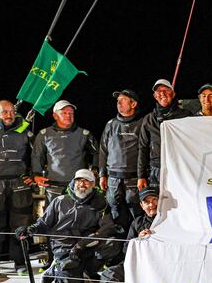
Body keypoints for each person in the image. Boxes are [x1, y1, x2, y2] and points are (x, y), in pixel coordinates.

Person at [15, 169, 121, 283]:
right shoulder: (60, 201)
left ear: (93, 184)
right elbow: (43, 224)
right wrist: (29, 230)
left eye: (87, 181)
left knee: (112, 244)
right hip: (64, 247)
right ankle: (56, 268)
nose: (82, 184)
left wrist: (82, 244)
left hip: (86, 244)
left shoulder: (100, 204)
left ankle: (87, 270)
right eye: (79, 180)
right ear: (74, 182)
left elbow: (107, 228)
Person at [74, 186, 158, 283]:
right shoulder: (137, 222)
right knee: (110, 273)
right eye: (146, 202)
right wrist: (138, 240)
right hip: (140, 266)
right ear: (141, 205)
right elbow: (127, 250)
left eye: (154, 200)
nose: (151, 204)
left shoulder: (171, 221)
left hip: (162, 269)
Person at [0, 100, 34, 277]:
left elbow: (37, 154)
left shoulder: (25, 130)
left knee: (21, 225)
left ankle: (20, 262)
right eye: (4, 112)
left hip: (19, 183)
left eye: (11, 112)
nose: (9, 115)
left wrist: (33, 174)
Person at [32, 100, 99, 203]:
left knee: (78, 215)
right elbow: (37, 156)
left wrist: (95, 169)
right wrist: (36, 175)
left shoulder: (84, 134)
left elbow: (97, 153)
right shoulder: (44, 134)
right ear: (55, 115)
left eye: (71, 113)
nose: (68, 115)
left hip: (79, 185)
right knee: (54, 216)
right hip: (53, 186)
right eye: (64, 113)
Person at [98, 89, 144, 231]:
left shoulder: (142, 123)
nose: (118, 103)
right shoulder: (110, 124)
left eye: (123, 100)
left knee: (137, 211)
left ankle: (137, 240)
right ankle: (117, 246)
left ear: (133, 103)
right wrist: (102, 174)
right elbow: (103, 150)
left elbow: (146, 151)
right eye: (117, 101)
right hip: (113, 179)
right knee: (115, 212)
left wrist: (143, 176)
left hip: (134, 179)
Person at [137, 79, 192, 189]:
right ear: (155, 96)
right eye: (158, 91)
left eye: (166, 90)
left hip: (181, 169)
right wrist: (141, 176)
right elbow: (143, 148)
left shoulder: (186, 115)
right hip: (156, 171)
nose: (162, 94)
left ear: (173, 94)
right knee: (157, 203)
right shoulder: (149, 119)